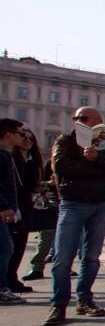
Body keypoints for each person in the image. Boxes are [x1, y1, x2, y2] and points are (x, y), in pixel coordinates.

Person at [44, 107, 105, 326]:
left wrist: (98, 159)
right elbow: (63, 168)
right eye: (79, 119)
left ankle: (84, 299)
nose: (82, 122)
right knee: (62, 257)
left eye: (88, 119)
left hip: (101, 203)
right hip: (73, 203)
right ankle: (59, 304)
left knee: (91, 256)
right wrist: (97, 165)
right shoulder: (64, 141)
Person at [8, 128, 41, 294]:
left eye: (31, 138)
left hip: (25, 207)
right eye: (23, 137)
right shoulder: (11, 158)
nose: (27, 140)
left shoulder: (32, 160)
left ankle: (11, 279)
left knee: (19, 245)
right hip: (13, 207)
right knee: (9, 247)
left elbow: (30, 184)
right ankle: (7, 281)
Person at [0, 120, 27, 305]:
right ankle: (2, 289)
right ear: (9, 135)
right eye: (20, 133)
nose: (22, 137)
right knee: (5, 248)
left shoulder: (6, 155)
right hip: (1, 209)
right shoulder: (0, 156)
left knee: (6, 247)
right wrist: (3, 206)